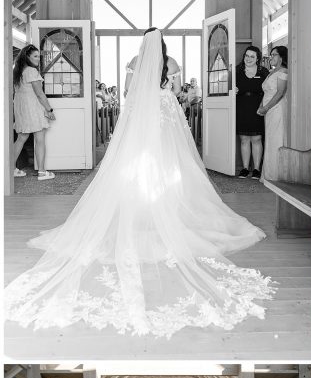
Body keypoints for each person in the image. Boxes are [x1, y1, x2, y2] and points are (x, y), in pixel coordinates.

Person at [4, 28, 273, 337]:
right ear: (162, 45)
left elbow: (129, 95)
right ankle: (162, 212)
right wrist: (171, 100)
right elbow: (178, 94)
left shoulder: (135, 60)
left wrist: (132, 123)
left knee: (142, 169)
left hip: (147, 117)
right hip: (165, 115)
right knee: (171, 167)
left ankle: (144, 212)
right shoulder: (170, 63)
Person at [11, 44, 57, 180]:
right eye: (35, 56)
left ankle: (10, 169)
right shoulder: (31, 71)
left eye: (39, 56)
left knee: (21, 139)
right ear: (27, 57)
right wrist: (49, 110)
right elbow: (40, 94)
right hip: (33, 109)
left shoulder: (18, 71)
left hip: (21, 109)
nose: (38, 59)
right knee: (40, 139)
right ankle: (42, 172)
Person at [236, 45, 269, 179]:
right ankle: (245, 168)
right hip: (241, 106)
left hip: (258, 106)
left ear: (257, 58)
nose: (248, 58)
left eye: (252, 56)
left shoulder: (263, 72)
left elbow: (270, 89)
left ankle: (256, 169)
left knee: (257, 138)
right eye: (246, 56)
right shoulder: (237, 71)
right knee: (244, 139)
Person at [258, 45, 289, 181]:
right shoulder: (272, 72)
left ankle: (275, 175)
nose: (271, 57)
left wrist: (267, 107)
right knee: (270, 138)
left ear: (281, 57)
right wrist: (261, 106)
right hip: (269, 109)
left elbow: (280, 92)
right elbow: (267, 92)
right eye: (270, 55)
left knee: (276, 138)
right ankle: (269, 173)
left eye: (274, 55)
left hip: (277, 108)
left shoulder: (283, 71)